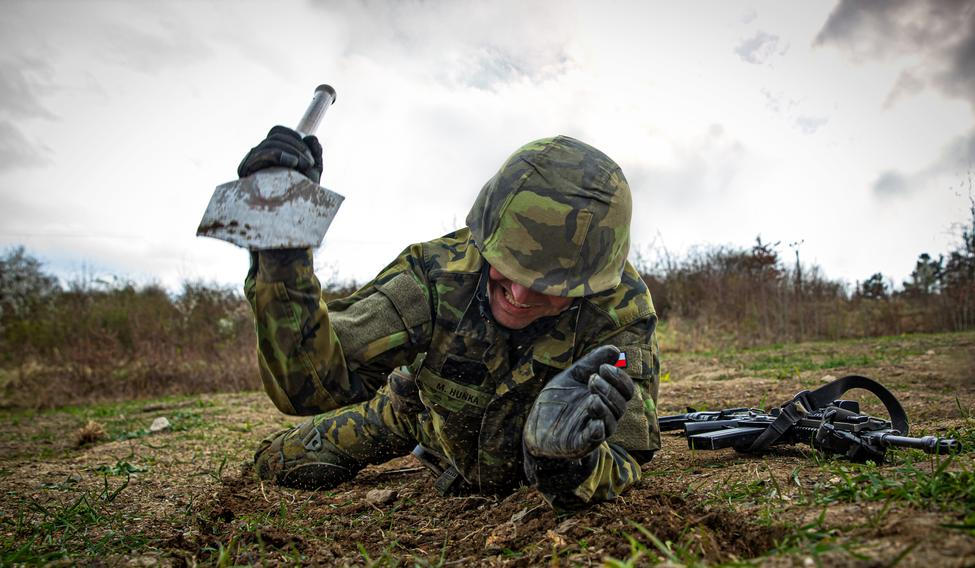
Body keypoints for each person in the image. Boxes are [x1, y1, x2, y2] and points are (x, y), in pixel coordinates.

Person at [240, 127, 661, 510]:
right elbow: (308, 384)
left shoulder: (619, 313)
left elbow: (626, 458)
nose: (519, 294)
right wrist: (281, 246)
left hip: (527, 455)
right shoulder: (436, 275)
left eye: (552, 286)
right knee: (276, 464)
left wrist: (566, 463)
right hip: (418, 416)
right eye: (508, 265)